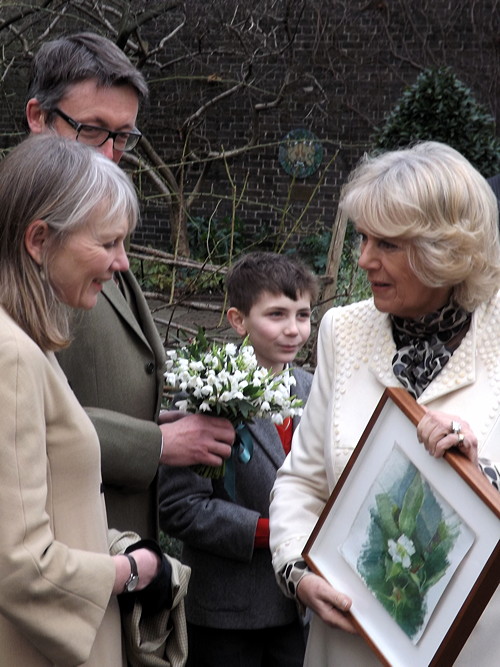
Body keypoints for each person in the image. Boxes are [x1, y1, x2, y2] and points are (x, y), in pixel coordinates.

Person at [269, 141, 500, 666]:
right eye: (364, 238)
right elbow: (302, 481)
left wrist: (480, 473)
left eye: (388, 245)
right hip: (347, 645)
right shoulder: (343, 331)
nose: (364, 259)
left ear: (447, 250)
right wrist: (299, 574)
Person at [25, 32, 234, 540]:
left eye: (124, 136)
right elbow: (22, 416)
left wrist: (158, 414)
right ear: (38, 117)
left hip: (114, 542)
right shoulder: (21, 229)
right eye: (93, 130)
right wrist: (156, 445)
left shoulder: (88, 213)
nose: (111, 153)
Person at [0, 134, 164, 666]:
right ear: (39, 240)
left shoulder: (28, 345)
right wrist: (134, 572)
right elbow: (21, 566)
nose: (122, 263)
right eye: (108, 242)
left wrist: (116, 543)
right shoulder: (12, 357)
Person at [158, 252, 319, 667]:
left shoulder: (316, 389)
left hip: (298, 607)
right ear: (238, 319)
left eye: (303, 315)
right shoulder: (204, 394)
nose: (293, 329)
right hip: (227, 615)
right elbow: (179, 509)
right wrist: (272, 530)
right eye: (277, 314)